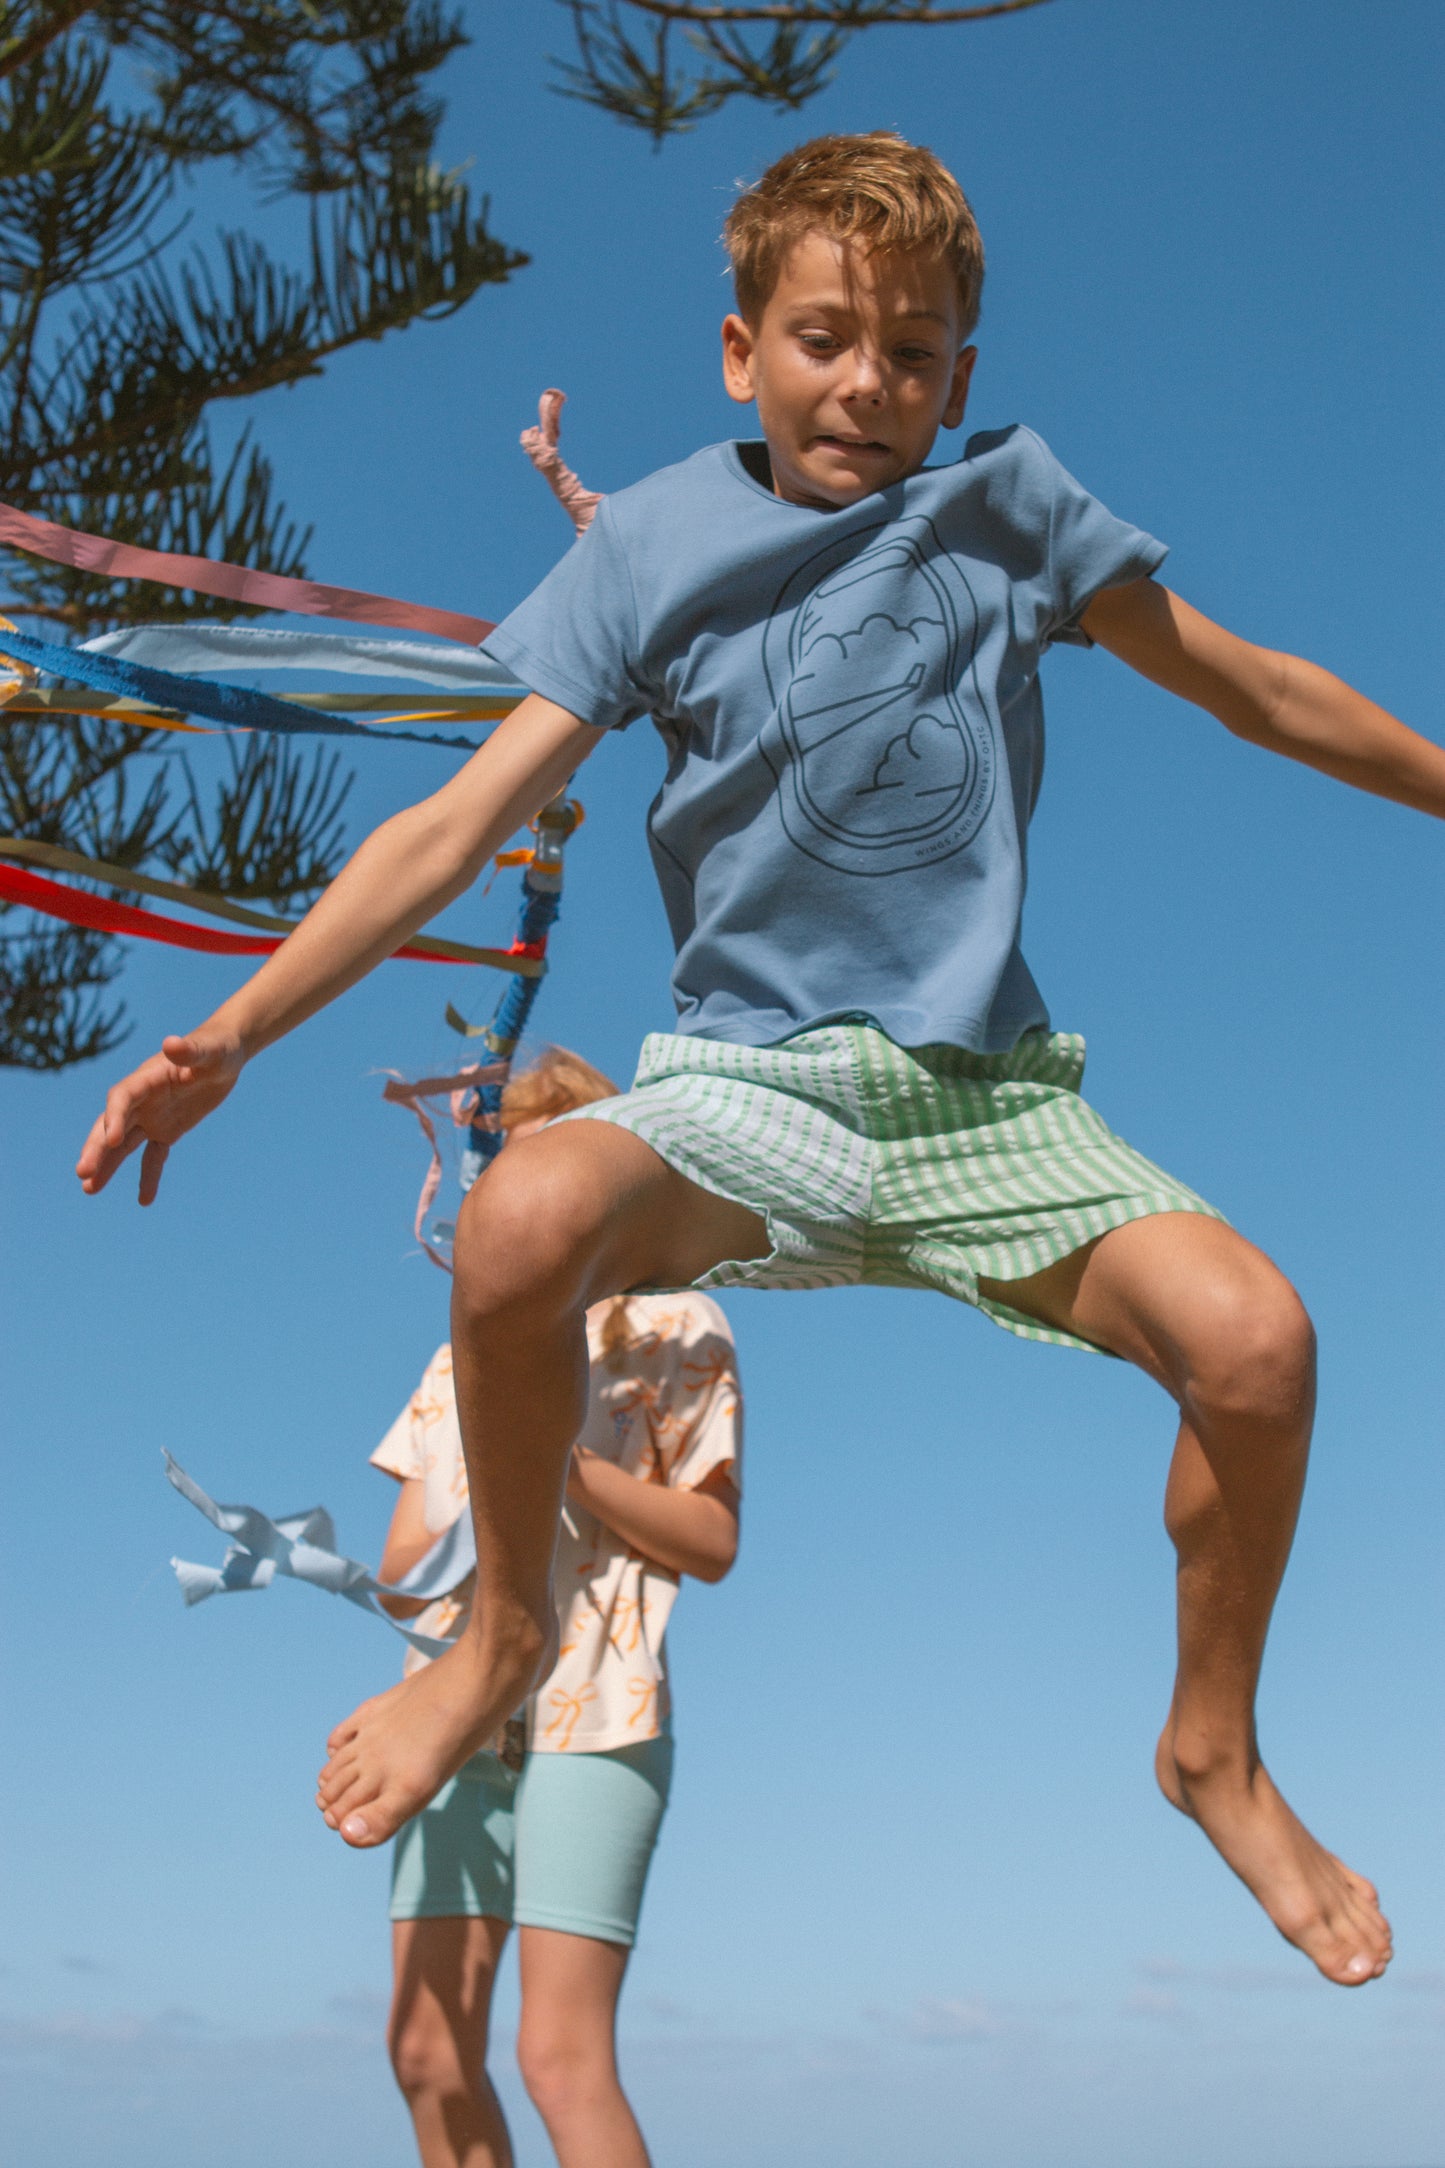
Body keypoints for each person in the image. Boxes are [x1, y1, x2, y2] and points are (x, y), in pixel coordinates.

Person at [78, 131, 1445, 1989]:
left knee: (1259, 1344)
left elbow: (1253, 682)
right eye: (822, 338)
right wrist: (228, 1032)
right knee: (518, 1221)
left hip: (988, 1101)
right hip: (750, 1093)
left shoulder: (1014, 509)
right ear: (743, 351)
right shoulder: (649, 542)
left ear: (960, 376)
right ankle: (499, 1641)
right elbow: (453, 831)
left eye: (908, 350)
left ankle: (1213, 1743)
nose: (863, 383)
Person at [375, 1047, 742, 2168]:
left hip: (604, 1706)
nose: (513, 1189)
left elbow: (712, 1539)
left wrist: (562, 1463)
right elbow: (399, 1571)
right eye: (499, 1163)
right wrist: (482, 1463)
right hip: (453, 1705)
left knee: (558, 2056)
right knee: (427, 2052)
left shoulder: (684, 1326)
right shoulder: (463, 1353)